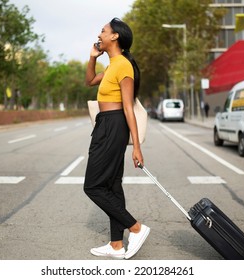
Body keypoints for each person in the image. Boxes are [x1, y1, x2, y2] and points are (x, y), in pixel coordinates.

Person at [84, 18, 150, 260]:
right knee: (112, 184)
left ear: (115, 37)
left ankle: (136, 228)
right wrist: (92, 57)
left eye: (103, 31)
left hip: (114, 125)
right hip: (106, 124)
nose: (99, 34)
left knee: (92, 186)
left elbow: (129, 107)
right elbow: (89, 81)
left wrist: (137, 147)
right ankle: (115, 245)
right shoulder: (112, 65)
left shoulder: (123, 66)